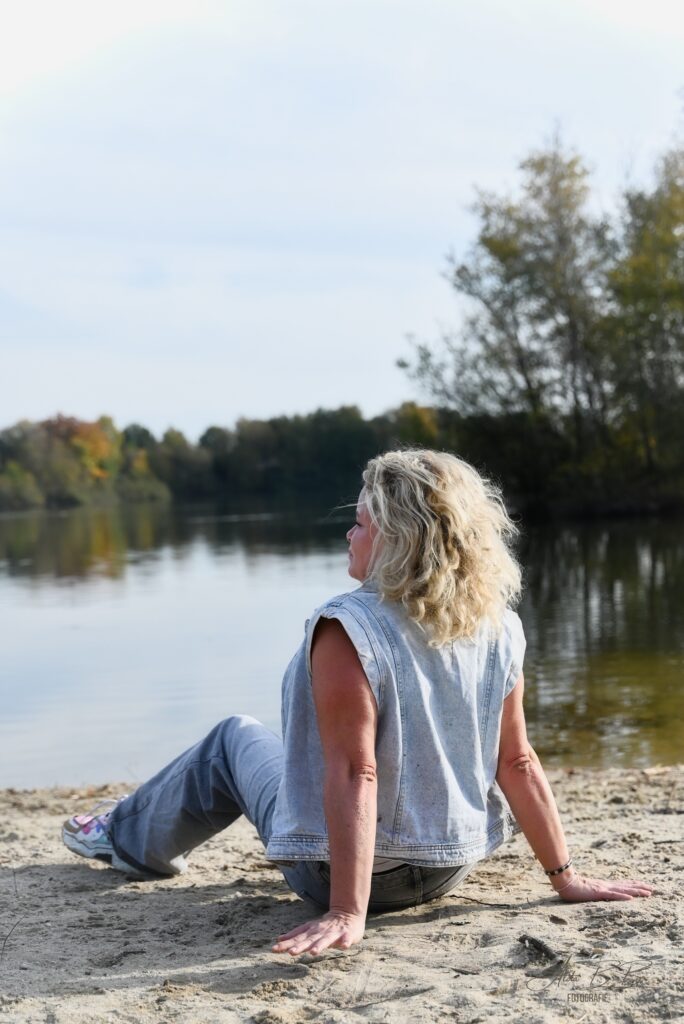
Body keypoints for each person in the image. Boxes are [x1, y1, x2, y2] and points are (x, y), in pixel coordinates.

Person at [62, 449, 653, 956]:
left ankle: (123, 840)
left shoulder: (348, 626)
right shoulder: (498, 624)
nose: (350, 534)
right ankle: (126, 821)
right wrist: (564, 877)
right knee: (253, 746)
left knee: (233, 739)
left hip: (345, 879)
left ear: (398, 539)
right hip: (449, 868)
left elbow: (355, 770)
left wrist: (346, 910)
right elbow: (517, 762)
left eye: (362, 524)